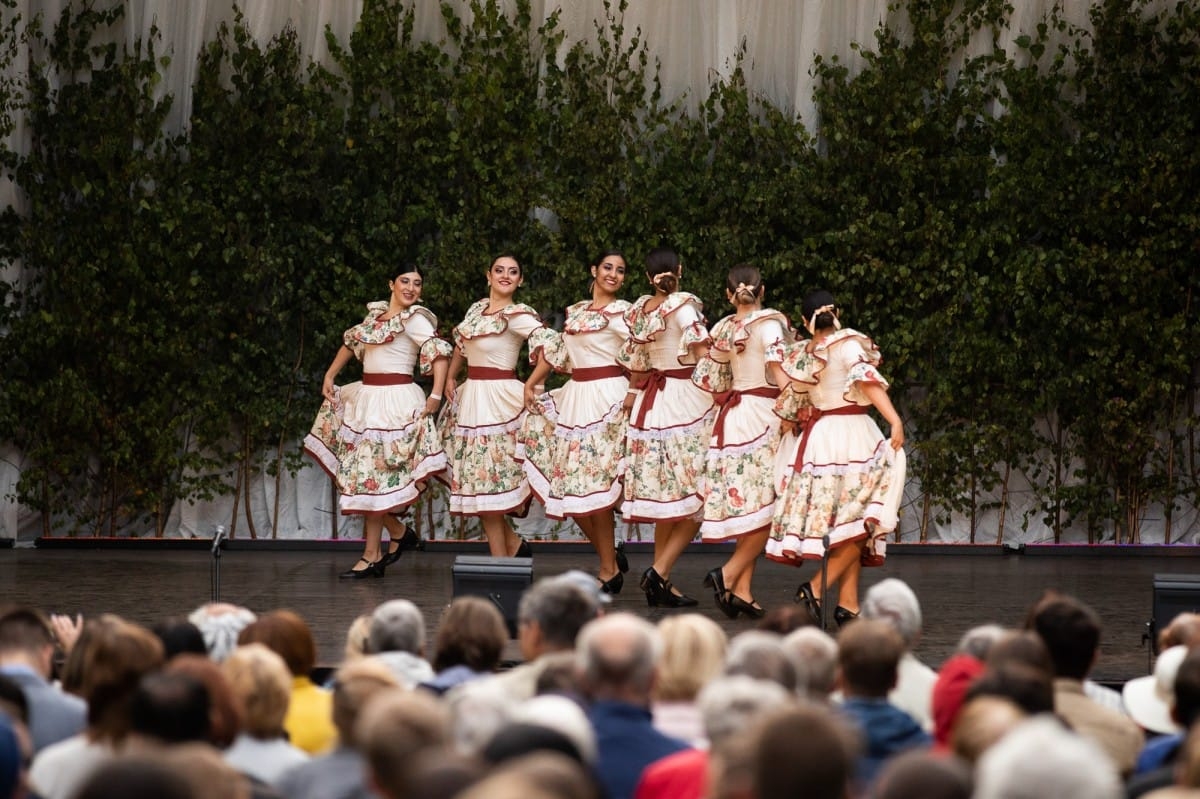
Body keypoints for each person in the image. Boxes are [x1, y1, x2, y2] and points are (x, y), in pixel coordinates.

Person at [767, 289, 906, 627]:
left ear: (804, 320)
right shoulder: (848, 344)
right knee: (861, 519)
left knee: (848, 523)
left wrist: (786, 435)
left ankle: (849, 603)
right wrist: (894, 420)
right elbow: (868, 383)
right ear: (837, 312)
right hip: (853, 434)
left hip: (821, 440)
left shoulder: (803, 353)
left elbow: (789, 404)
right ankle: (816, 588)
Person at [304, 264, 450, 578]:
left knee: (375, 480)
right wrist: (330, 374)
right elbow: (351, 343)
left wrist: (435, 395)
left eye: (417, 283)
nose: (411, 288)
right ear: (391, 284)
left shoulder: (415, 319)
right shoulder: (375, 318)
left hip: (395, 401)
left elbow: (439, 353)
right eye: (405, 281)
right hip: (368, 398)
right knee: (364, 479)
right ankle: (397, 532)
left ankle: (373, 554)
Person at [520, 250, 632, 592]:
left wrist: (637, 393)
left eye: (621, 271)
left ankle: (608, 569)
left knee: (597, 488)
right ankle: (609, 558)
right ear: (594, 270)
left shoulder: (625, 312)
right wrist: (531, 382)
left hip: (610, 398)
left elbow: (642, 354)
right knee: (576, 489)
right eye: (607, 268)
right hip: (576, 399)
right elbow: (558, 352)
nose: (613, 274)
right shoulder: (576, 312)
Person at [691, 264, 792, 618]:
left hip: (734, 416)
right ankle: (729, 573)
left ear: (728, 295)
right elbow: (780, 375)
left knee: (755, 506)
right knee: (770, 506)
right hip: (763, 413)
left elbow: (707, 375)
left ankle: (743, 591)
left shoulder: (723, 327)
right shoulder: (769, 325)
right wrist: (799, 409)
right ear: (762, 291)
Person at [618, 247, 714, 607]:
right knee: (701, 493)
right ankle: (658, 572)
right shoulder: (683, 307)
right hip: (684, 399)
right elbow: (703, 356)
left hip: (652, 403)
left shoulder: (641, 311)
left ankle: (662, 578)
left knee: (666, 497)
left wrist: (631, 397)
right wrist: (719, 391)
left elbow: (638, 365)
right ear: (680, 270)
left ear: (647, 278)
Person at [442, 254, 550, 557]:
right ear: (488, 275)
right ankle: (511, 549)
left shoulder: (518, 314)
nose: (505, 275)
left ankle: (501, 562)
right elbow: (462, 347)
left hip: (500, 402)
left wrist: (532, 384)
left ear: (520, 280)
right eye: (499, 270)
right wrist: (451, 376)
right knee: (479, 482)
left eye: (513, 272)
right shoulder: (476, 310)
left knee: (490, 484)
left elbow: (550, 345)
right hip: (472, 399)